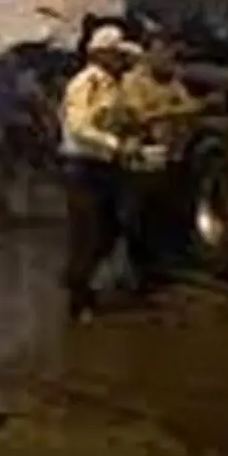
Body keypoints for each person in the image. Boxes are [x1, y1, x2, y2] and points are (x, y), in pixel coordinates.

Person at [58, 23, 142, 322]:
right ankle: (79, 298)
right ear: (102, 55)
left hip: (105, 165)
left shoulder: (113, 85)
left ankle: (82, 282)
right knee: (87, 232)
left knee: (110, 227)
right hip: (83, 166)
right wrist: (114, 144)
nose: (122, 60)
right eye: (117, 54)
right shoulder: (86, 84)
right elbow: (79, 127)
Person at [117, 32, 203, 294]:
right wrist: (178, 111)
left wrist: (185, 109)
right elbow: (140, 115)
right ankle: (134, 273)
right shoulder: (133, 81)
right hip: (140, 157)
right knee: (137, 216)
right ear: (148, 54)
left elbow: (190, 105)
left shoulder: (172, 81)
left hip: (168, 157)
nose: (167, 58)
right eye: (162, 52)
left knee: (162, 214)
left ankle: (158, 268)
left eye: (169, 53)